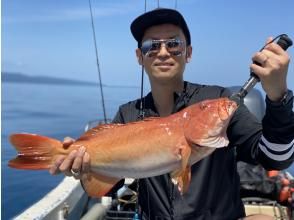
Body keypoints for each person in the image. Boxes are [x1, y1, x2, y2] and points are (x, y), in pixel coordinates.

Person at [49, 8, 294, 220]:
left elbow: (275, 158)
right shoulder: (128, 113)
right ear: (140, 57)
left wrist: (277, 96)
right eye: (151, 45)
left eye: (173, 43)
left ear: (188, 52)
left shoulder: (219, 101)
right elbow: (108, 187)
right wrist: (83, 168)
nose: (163, 51)